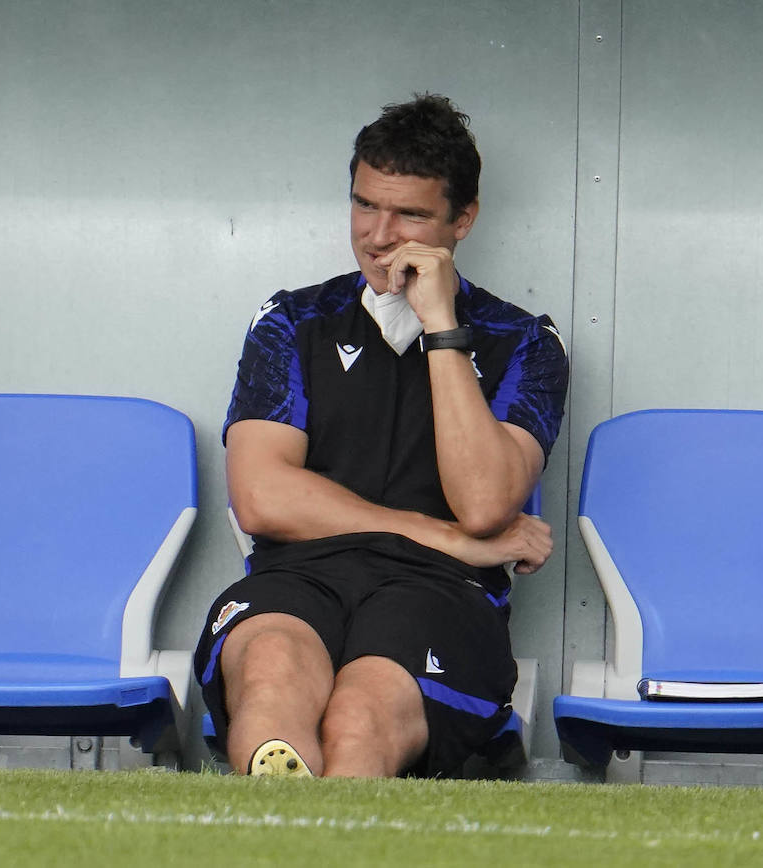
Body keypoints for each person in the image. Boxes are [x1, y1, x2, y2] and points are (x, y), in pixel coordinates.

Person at [194, 94, 569, 779]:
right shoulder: (293, 321)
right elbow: (260, 498)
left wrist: (441, 327)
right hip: (300, 575)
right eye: (364, 205)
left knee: (358, 720)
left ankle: (328, 828)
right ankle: (274, 827)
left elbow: (485, 503)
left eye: (411, 215)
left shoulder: (524, 341)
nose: (378, 235)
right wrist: (443, 534)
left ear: (463, 219)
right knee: (273, 677)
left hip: (441, 591)